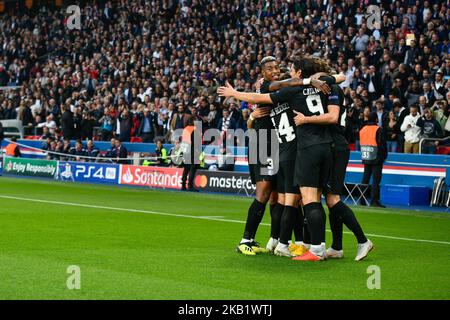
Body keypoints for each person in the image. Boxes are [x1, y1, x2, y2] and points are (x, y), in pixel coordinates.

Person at [218, 56, 340, 261]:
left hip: (278, 145)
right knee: (266, 193)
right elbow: (283, 85)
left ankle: (276, 240)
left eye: (277, 67)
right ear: (262, 73)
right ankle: (246, 240)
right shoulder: (269, 85)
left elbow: (287, 83)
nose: (275, 70)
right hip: (262, 143)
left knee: (277, 197)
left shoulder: (284, 91)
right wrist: (249, 115)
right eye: (270, 68)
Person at [295, 79, 373, 261]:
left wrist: (305, 119)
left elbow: (331, 117)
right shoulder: (328, 92)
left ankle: (363, 240)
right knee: (329, 200)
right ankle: (336, 246)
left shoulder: (331, 91)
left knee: (333, 200)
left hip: (336, 148)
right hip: (330, 147)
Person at [359, 112, 388, 208]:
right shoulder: (378, 129)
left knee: (365, 179)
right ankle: (374, 200)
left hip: (366, 155)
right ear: (376, 119)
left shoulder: (362, 129)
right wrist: (384, 155)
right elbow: (382, 144)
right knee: (376, 180)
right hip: (376, 157)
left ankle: (362, 199)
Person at [180, 118, 199, 192]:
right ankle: (190, 186)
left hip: (185, 150)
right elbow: (195, 141)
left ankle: (183, 185)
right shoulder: (195, 129)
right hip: (192, 150)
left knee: (186, 168)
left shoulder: (185, 129)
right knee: (192, 168)